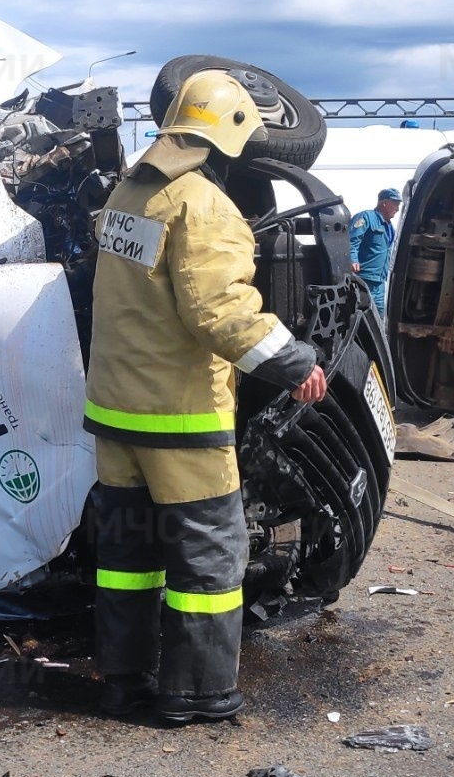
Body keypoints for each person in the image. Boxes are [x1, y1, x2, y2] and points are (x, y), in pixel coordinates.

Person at [84, 69, 327, 724]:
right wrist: (295, 360)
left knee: (128, 560)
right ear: (233, 135)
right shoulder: (203, 204)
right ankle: (196, 694)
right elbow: (219, 312)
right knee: (209, 559)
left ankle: (122, 683)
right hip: (180, 418)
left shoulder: (127, 197)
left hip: (115, 413)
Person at [350, 187, 401, 318]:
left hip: (379, 282)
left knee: (378, 319)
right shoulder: (366, 217)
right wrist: (353, 259)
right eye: (395, 204)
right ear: (384, 203)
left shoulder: (389, 226)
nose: (397, 208)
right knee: (358, 317)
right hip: (363, 279)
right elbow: (352, 240)